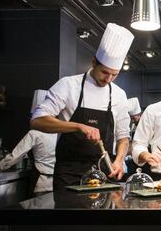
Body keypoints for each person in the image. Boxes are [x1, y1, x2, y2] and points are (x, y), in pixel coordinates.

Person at [30, 23, 134, 191]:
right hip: (68, 173)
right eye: (104, 72)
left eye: (114, 75)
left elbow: (123, 137)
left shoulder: (119, 94)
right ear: (94, 63)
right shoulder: (68, 85)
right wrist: (78, 126)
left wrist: (119, 161)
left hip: (104, 173)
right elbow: (37, 121)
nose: (108, 79)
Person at [0, 89, 56, 195]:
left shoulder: (34, 133)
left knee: (37, 210)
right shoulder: (60, 133)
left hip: (41, 183)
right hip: (58, 184)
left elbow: (16, 156)